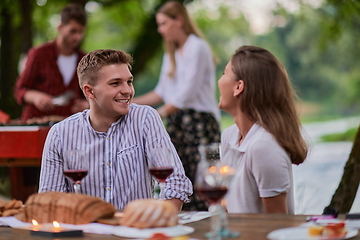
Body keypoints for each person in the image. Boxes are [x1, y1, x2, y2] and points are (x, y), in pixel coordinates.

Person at [38, 49, 193, 210]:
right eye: (115, 83)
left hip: (136, 231)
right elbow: (49, 202)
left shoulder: (145, 118)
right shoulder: (60, 134)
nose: (127, 90)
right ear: (89, 91)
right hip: (86, 232)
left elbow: (176, 184)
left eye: (129, 82)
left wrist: (155, 222)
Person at [133, 1, 220, 211]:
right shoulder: (170, 54)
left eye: (164, 24)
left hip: (202, 124)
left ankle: (213, 225)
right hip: (177, 124)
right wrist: (127, 104)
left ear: (179, 21)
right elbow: (161, 92)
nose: (160, 30)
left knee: (209, 177)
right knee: (180, 180)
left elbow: (186, 95)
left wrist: (158, 114)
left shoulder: (197, 47)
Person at [218, 46, 308, 214]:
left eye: (224, 73)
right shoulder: (229, 136)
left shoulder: (263, 147)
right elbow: (224, 206)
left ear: (239, 87)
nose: (219, 81)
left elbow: (277, 226)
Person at [14, 3, 89, 122]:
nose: (77, 37)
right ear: (60, 28)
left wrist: (87, 104)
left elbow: (89, 92)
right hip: (36, 124)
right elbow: (20, 89)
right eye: (73, 31)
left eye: (81, 32)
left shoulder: (84, 59)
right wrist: (35, 97)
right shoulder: (39, 54)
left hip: (68, 127)